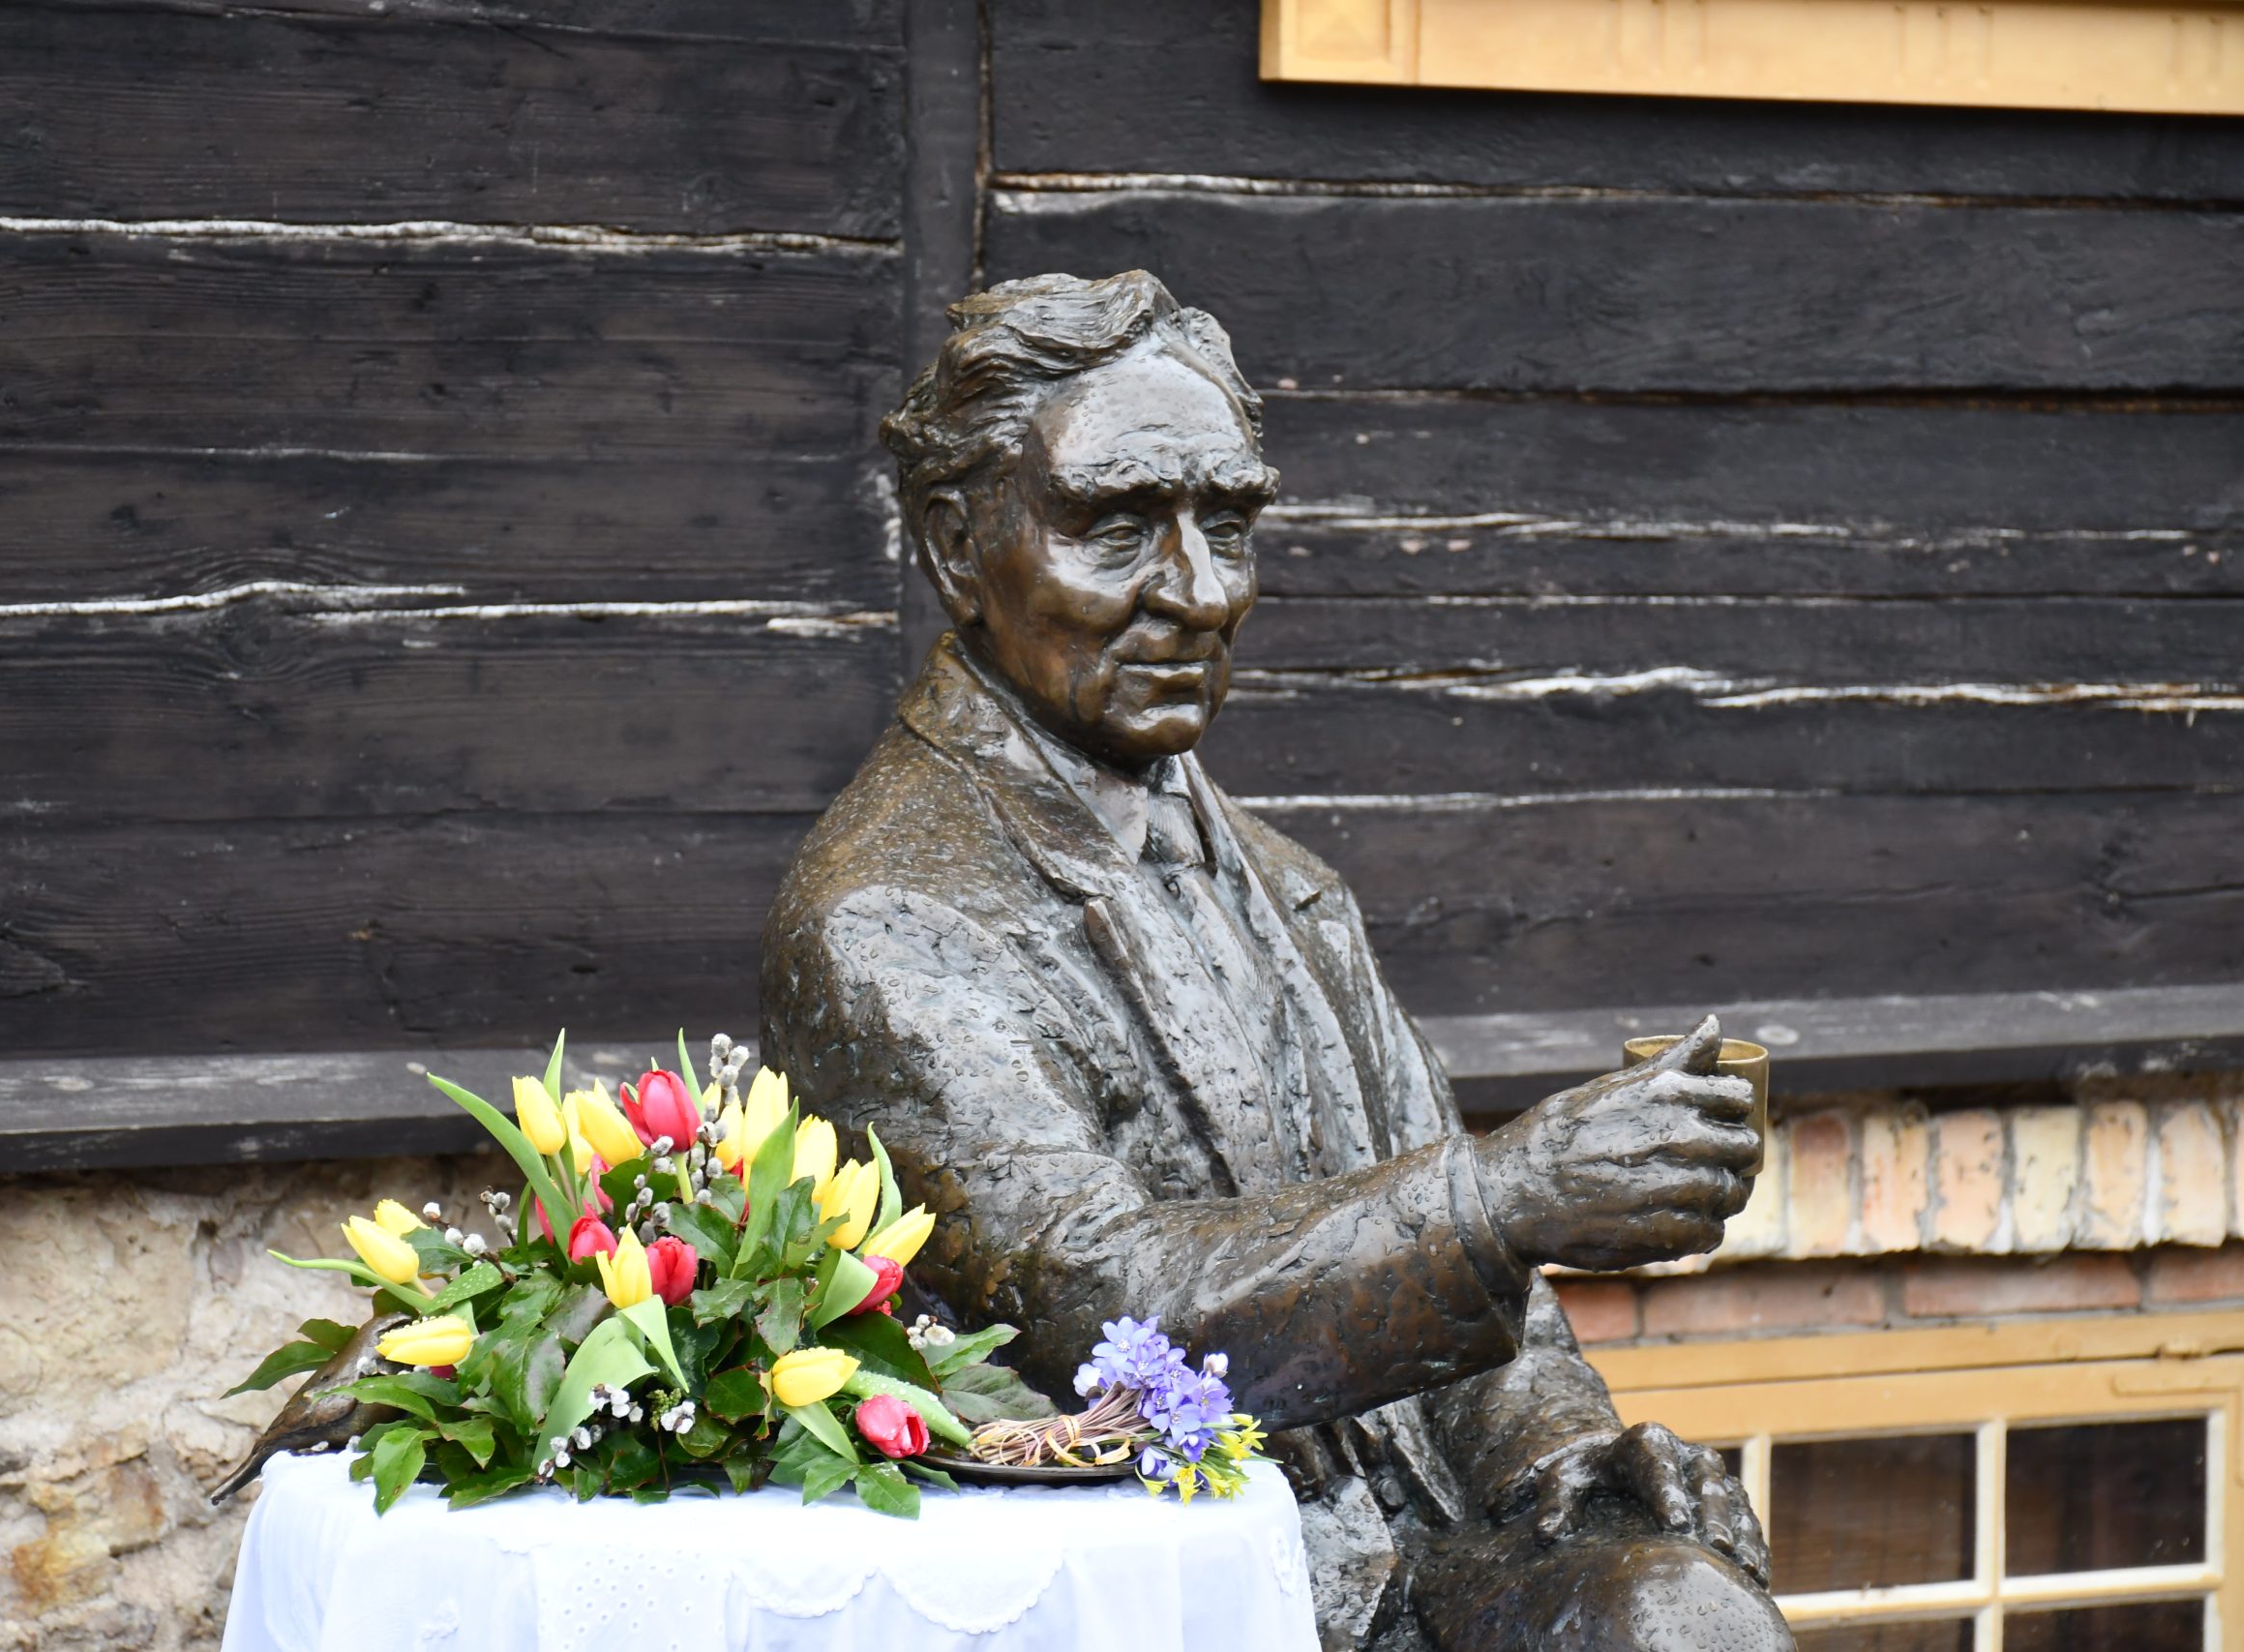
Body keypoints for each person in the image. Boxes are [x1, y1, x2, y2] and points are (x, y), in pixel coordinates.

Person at [760, 270, 1789, 1651]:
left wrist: (1563, 1467)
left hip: (1406, 1552)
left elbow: (1496, 1318)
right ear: (958, 548)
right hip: (1169, 1577)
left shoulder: (1292, 890)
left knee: (1673, 1597)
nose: (1198, 594)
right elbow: (1112, 1313)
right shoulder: (889, 915)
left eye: (1228, 526)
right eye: (1116, 527)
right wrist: (1503, 1195)